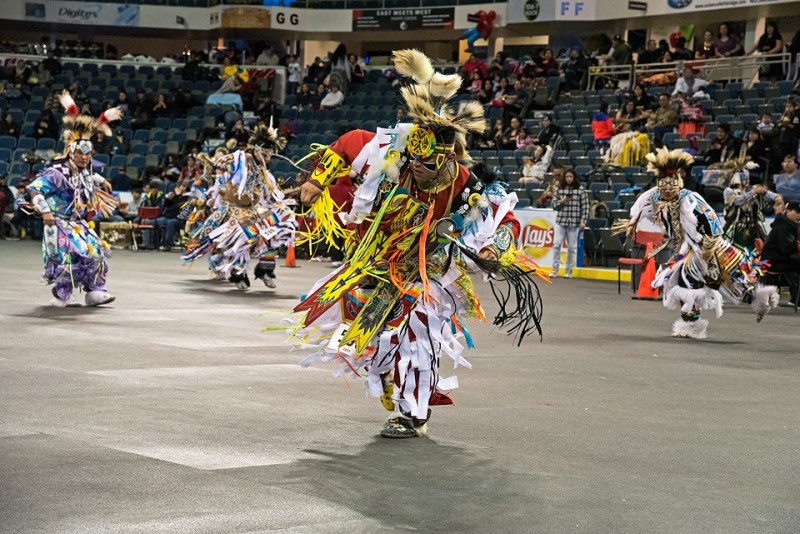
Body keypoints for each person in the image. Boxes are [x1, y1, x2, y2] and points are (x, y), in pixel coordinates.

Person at [294, 49, 547, 439]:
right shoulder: (394, 159)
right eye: (412, 159)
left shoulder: (467, 185)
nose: (415, 167)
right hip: (382, 261)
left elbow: (504, 219)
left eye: (425, 164)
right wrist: (317, 179)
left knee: (417, 329)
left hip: (435, 272)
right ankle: (395, 381)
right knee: (371, 330)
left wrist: (494, 248)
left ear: (446, 159)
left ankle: (414, 413)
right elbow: (349, 143)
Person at [618, 148, 778, 339]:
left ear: (678, 183)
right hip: (689, 251)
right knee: (689, 284)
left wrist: (710, 246)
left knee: (729, 280)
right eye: (664, 185)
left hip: (710, 246)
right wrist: (632, 222)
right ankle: (690, 325)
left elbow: (710, 219)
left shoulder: (689, 197)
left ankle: (759, 299)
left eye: (672, 185)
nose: (668, 190)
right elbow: (639, 206)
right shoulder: (654, 196)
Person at [23, 92, 122, 307]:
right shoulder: (57, 172)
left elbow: (87, 177)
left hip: (78, 223)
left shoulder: (85, 172)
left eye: (88, 154)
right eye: (80, 154)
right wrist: (46, 212)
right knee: (69, 258)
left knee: (95, 251)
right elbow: (34, 189)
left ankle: (95, 291)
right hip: (59, 223)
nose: (85, 158)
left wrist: (102, 180)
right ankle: (61, 294)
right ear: (70, 152)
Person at [183, 125, 294, 289]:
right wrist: (220, 184)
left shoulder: (263, 171)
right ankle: (237, 274)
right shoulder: (241, 158)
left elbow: (269, 193)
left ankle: (265, 270)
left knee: (276, 231)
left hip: (253, 209)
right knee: (244, 238)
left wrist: (284, 199)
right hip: (234, 209)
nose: (268, 157)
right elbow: (220, 163)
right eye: (265, 153)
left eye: (270, 154)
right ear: (256, 150)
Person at [722, 160, 776, 249]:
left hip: (753, 227)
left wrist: (775, 196)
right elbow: (737, 201)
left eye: (747, 179)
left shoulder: (752, 189)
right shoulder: (729, 191)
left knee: (758, 250)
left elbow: (766, 193)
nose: (746, 181)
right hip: (736, 227)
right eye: (744, 179)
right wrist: (754, 191)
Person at [549, 169, 588, 278]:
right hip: (561, 221)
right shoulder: (559, 189)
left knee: (571, 248)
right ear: (564, 178)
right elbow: (554, 205)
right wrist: (562, 201)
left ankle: (568, 270)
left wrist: (583, 220)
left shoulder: (580, 190)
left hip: (574, 222)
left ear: (574, 177)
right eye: (567, 177)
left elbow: (585, 206)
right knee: (556, 245)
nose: (569, 179)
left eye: (571, 176)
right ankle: (554, 269)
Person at [761, 201, 800, 304]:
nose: (799, 215)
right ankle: (797, 299)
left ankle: (795, 298)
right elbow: (786, 249)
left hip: (778, 259)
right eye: (797, 212)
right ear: (788, 211)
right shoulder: (783, 226)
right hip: (772, 261)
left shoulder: (789, 224)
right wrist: (797, 246)